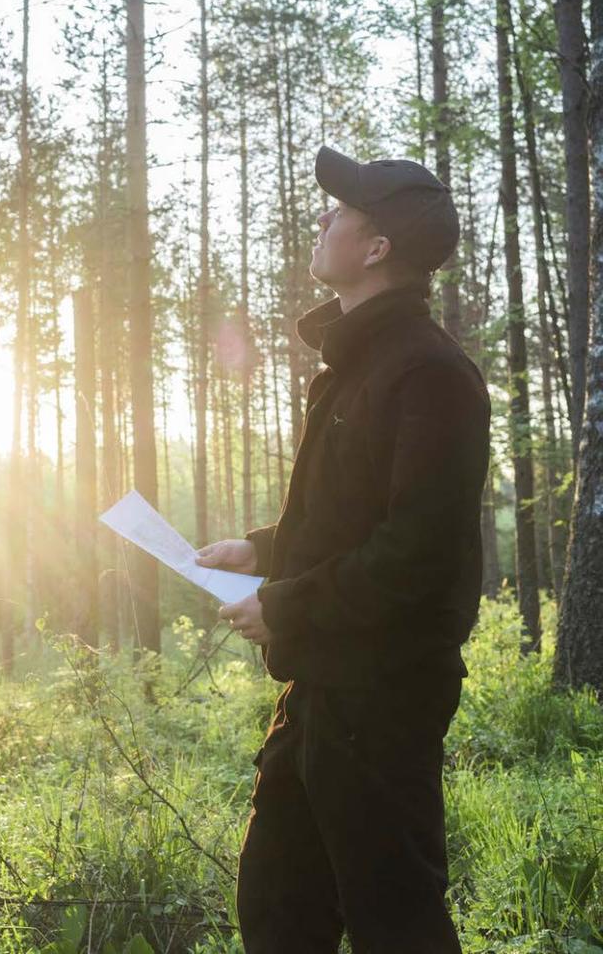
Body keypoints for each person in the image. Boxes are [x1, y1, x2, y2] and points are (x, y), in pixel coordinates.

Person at [196, 145, 491, 954]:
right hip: (322, 688)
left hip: (385, 697)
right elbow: (353, 520)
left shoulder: (430, 374)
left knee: (396, 922)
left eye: (341, 211)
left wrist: (286, 602)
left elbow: (416, 553)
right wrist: (260, 552)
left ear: (378, 247)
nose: (323, 219)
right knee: (279, 912)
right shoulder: (357, 365)